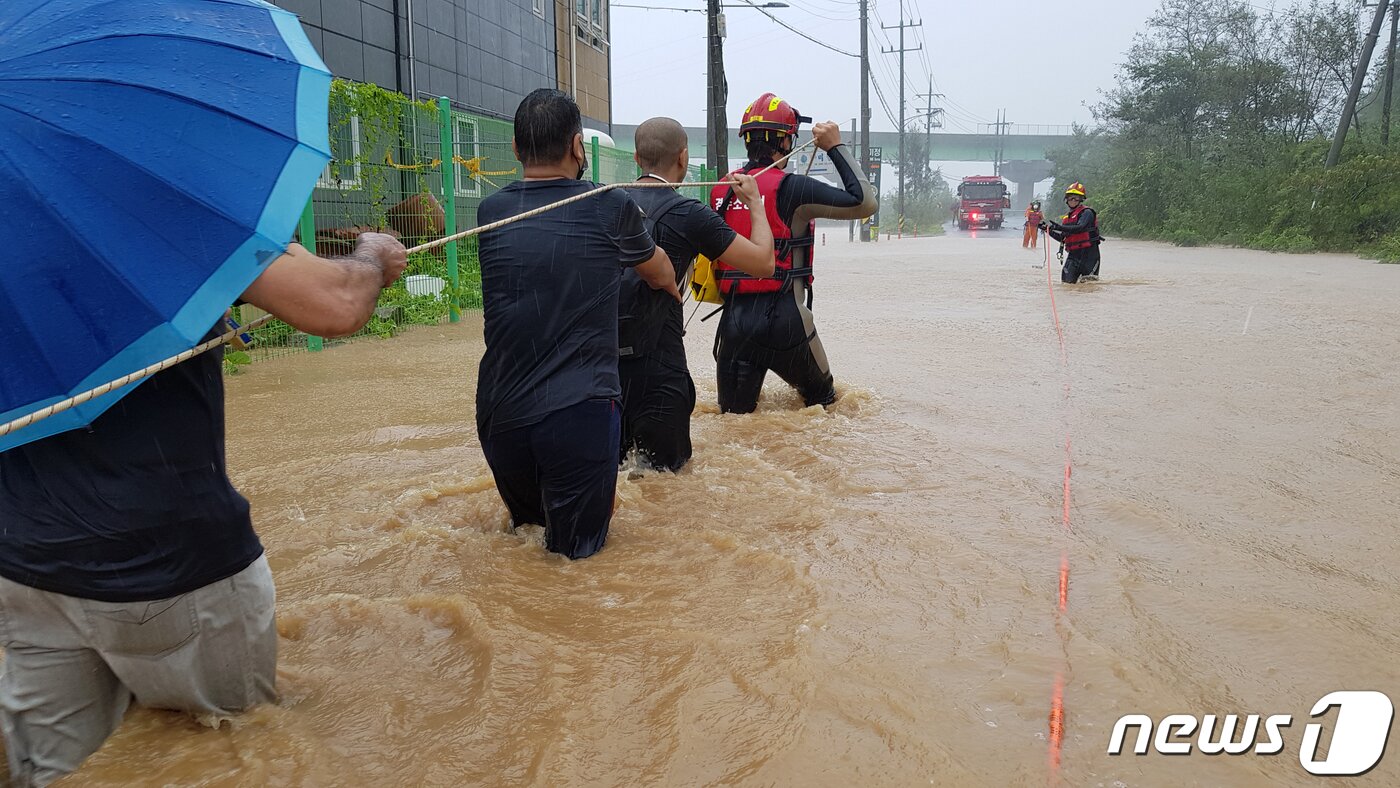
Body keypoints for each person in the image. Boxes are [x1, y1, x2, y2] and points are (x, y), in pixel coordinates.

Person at [0, 235, 408, 786]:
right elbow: (333, 303)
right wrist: (371, 258)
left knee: (55, 774)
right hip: (170, 563)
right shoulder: (150, 199)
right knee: (239, 751)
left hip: (21, 567)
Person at [475, 89, 679, 559]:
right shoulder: (611, 205)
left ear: (514, 148)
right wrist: (666, 284)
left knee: (525, 546)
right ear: (576, 147)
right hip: (578, 412)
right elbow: (659, 270)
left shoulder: (489, 212)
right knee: (576, 565)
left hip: (499, 412)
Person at [618, 117, 776, 471]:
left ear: (636, 157)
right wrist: (754, 203)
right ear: (683, 158)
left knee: (612, 480)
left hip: (601, 373)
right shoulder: (689, 214)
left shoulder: (604, 203)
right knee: (668, 487)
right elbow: (764, 263)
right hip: (659, 373)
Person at [708, 93, 877, 414]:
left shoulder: (721, 190)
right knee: (827, 408)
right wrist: (835, 147)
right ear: (787, 141)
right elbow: (865, 202)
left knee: (733, 423)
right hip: (787, 322)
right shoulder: (794, 188)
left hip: (735, 326)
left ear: (745, 140)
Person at [1042, 182, 1102, 283]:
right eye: (1070, 198)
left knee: (1089, 285)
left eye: (1076, 198)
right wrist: (1047, 230)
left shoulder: (1087, 213)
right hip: (1073, 256)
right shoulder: (1067, 218)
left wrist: (1060, 227)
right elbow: (1063, 238)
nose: (1073, 201)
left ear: (1081, 199)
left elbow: (1080, 227)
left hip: (1089, 255)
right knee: (1066, 284)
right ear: (1067, 200)